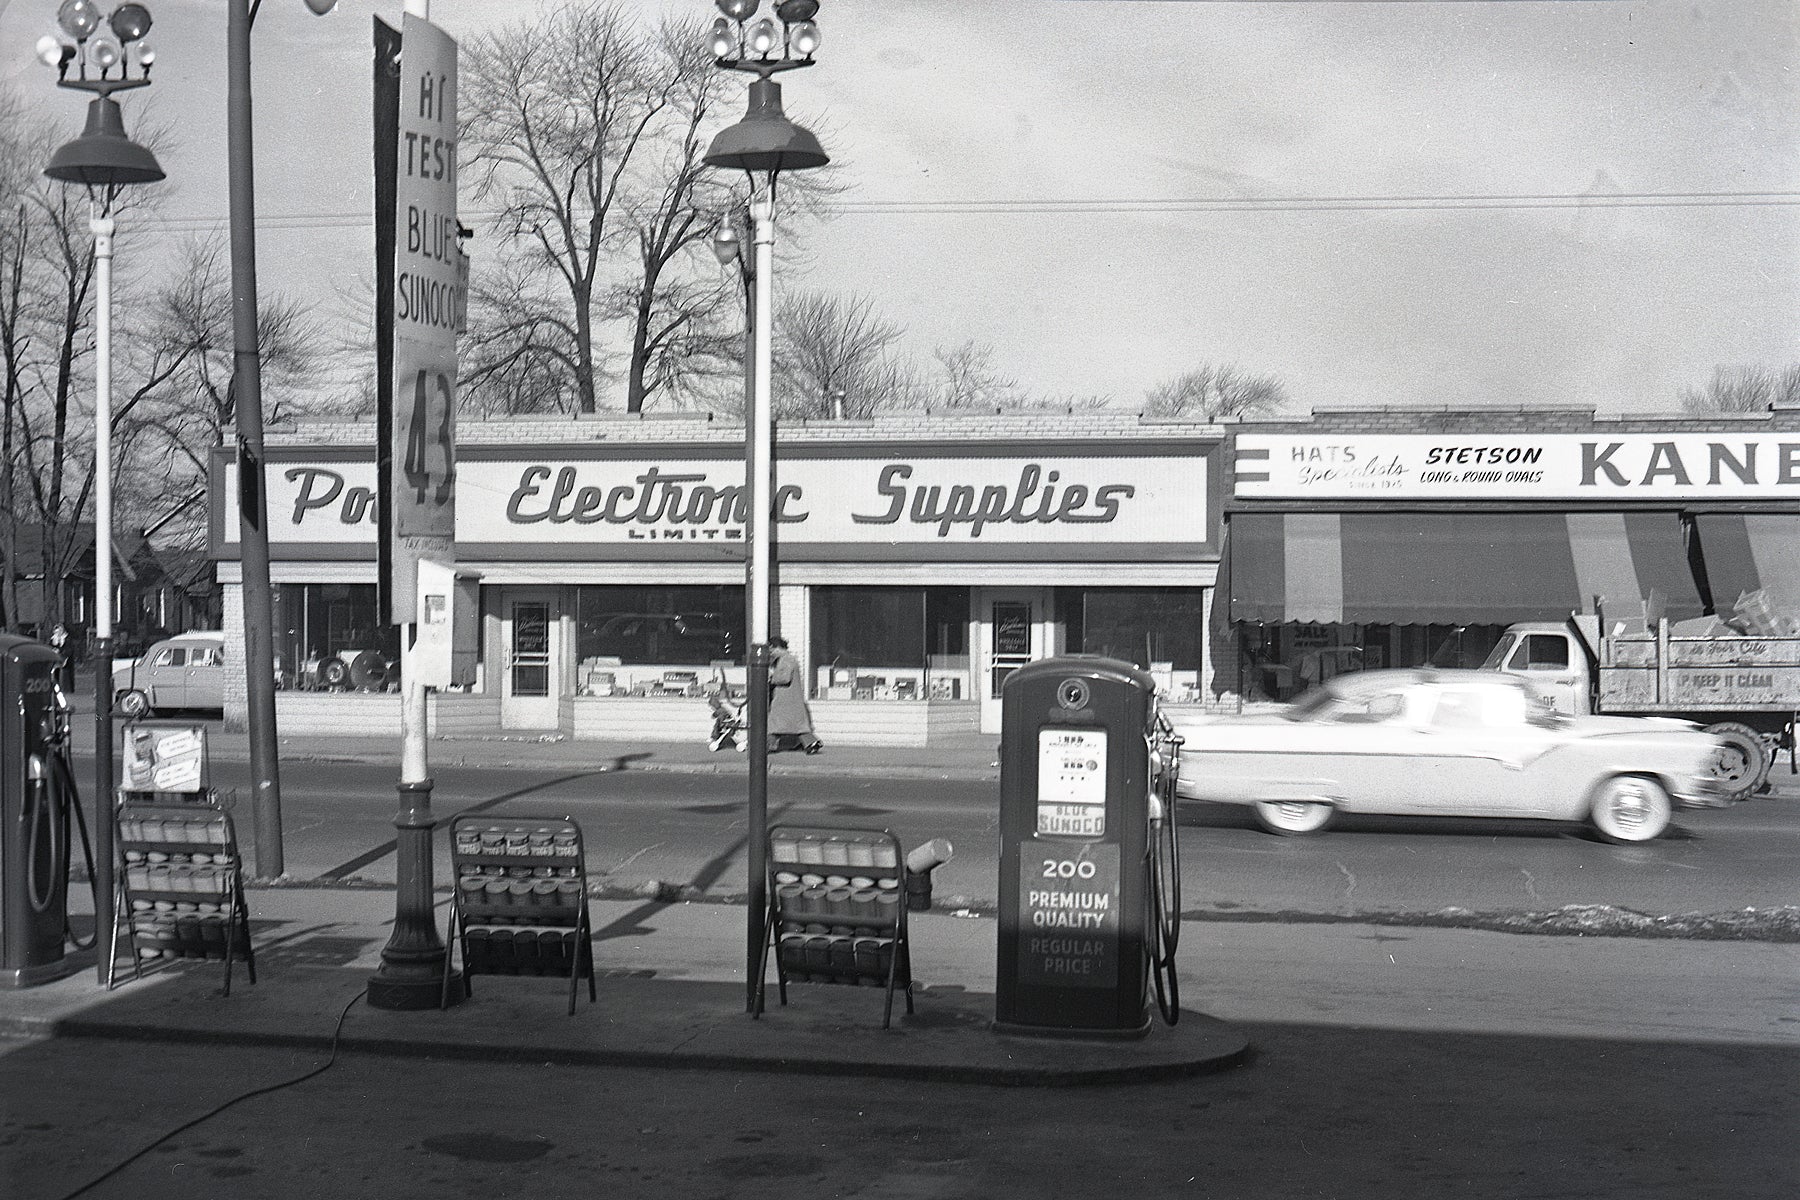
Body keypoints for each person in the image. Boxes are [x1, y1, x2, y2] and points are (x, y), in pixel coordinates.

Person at [766, 636, 822, 754]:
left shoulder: (786, 660)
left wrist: (771, 678)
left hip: (784, 700)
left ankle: (768, 746)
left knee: (774, 725)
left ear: (777, 648)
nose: (771, 653)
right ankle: (811, 743)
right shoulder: (788, 659)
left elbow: (784, 678)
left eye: (771, 650)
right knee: (798, 726)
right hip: (789, 699)